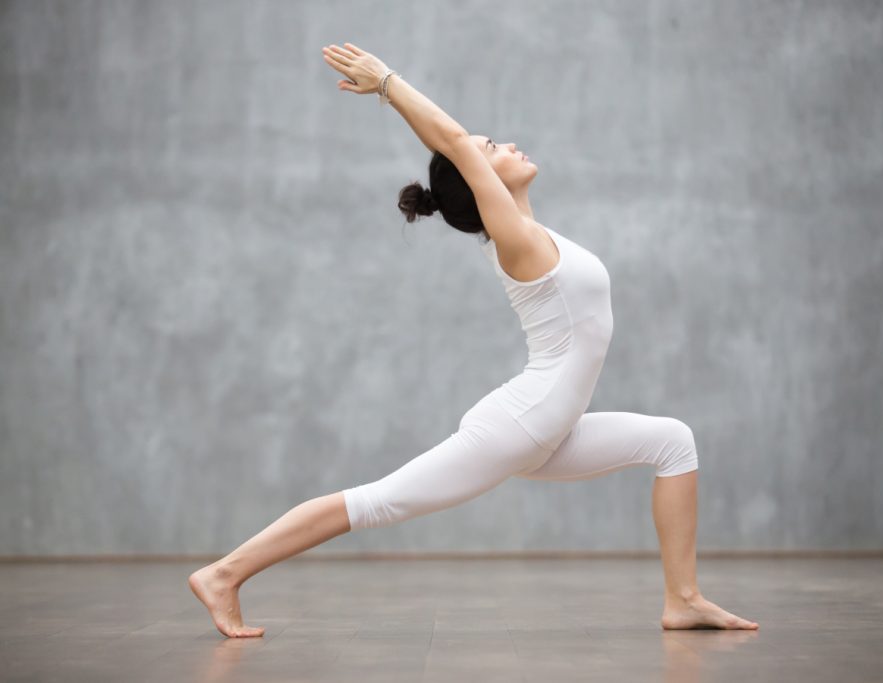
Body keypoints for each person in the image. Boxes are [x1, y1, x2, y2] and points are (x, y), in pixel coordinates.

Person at [188, 42, 759, 638]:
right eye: (492, 149)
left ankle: (683, 599)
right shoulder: (515, 241)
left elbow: (462, 149)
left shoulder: (533, 232)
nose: (506, 144)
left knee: (673, 442)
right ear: (479, 180)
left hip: (550, 429)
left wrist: (428, 119)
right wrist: (388, 84)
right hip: (520, 424)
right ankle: (225, 574)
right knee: (378, 502)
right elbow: (456, 143)